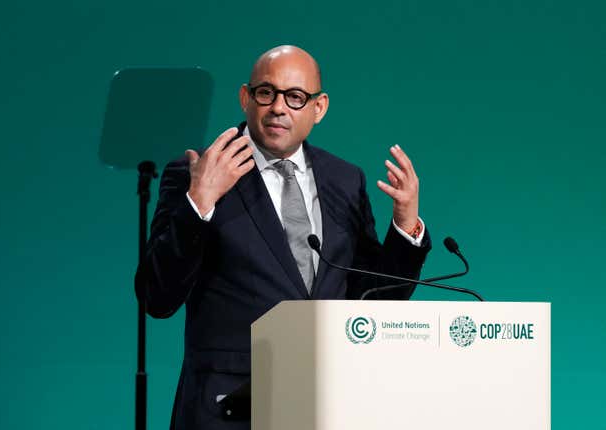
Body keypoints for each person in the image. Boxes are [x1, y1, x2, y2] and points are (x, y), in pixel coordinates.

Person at [136, 45, 431, 429]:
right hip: (227, 411)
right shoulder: (200, 170)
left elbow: (369, 301)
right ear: (245, 98)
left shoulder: (344, 180)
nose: (279, 107)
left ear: (318, 108)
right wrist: (200, 201)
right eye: (266, 93)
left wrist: (406, 226)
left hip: (325, 403)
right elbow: (157, 296)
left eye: (295, 97)